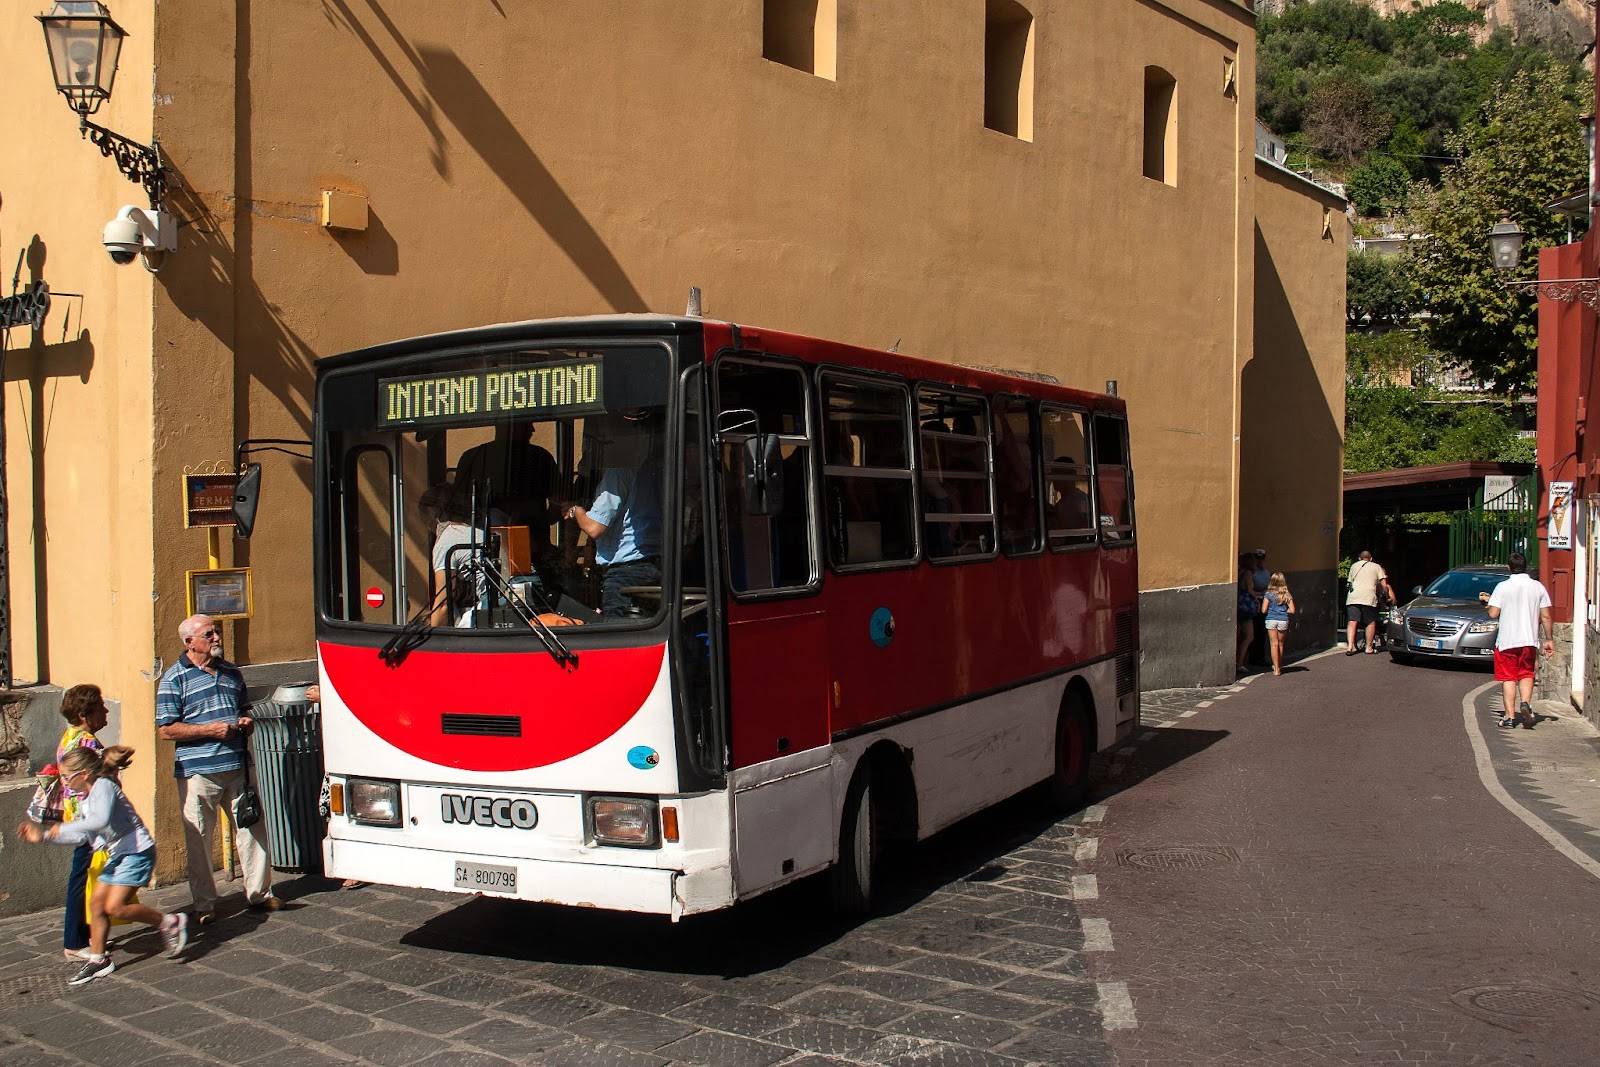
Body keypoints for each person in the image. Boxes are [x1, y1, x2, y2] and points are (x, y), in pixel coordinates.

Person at [14, 745, 189, 985]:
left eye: (66, 777)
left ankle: (170, 922)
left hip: (136, 852)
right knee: (96, 903)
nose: (63, 782)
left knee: (114, 907)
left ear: (84, 773)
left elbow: (100, 821)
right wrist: (44, 835)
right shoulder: (87, 800)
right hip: (117, 855)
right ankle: (99, 960)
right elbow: (85, 836)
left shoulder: (104, 787)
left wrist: (61, 827)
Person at [155, 614, 278, 922]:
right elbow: (166, 729)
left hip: (237, 764)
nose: (216, 638)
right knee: (199, 838)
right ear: (189, 642)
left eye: (216, 632)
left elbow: (244, 709)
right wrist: (210, 730)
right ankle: (205, 905)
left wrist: (246, 723)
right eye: (209, 634)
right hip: (199, 772)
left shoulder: (231, 672)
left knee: (252, 829)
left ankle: (259, 894)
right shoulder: (174, 678)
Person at [565, 413, 663, 617]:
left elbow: (595, 528)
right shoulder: (652, 470)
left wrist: (576, 511)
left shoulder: (619, 472)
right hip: (654, 567)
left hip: (624, 573)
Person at [54, 685, 109, 962]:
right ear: (84, 714)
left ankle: (84, 933)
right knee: (81, 877)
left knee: (82, 875)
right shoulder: (88, 743)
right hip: (88, 821)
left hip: (76, 817)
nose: (106, 710)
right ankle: (74, 941)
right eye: (100, 706)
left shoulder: (68, 737)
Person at [1484, 551, 1554, 729]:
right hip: (1529, 640)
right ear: (1526, 567)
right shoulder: (1538, 587)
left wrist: (1486, 604)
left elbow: (1493, 614)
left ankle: (1509, 717)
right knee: (1526, 673)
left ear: (1509, 568)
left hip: (1507, 641)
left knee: (1508, 678)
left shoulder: (1502, 587)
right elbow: (1546, 616)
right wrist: (1549, 639)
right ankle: (1526, 704)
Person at [455, 420, 559, 534]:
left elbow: (559, 504)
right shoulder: (541, 457)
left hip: (528, 545)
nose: (532, 429)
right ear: (509, 427)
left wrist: (536, 528)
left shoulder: (473, 457)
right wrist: (535, 527)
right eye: (526, 423)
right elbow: (459, 505)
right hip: (486, 544)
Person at [1345, 550, 1394, 656]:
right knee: (1370, 622)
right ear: (1370, 559)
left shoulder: (1354, 566)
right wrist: (1387, 596)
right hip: (1368, 597)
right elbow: (1384, 585)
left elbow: (1350, 582)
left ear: (1359, 558)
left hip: (1353, 597)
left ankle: (1350, 647)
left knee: (1352, 621)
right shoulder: (1376, 567)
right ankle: (1368, 647)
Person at [1261, 572, 1296, 677]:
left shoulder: (1268, 594)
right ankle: (1279, 666)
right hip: (1283, 620)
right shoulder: (1286, 594)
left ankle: (1276, 669)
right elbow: (1292, 610)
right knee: (1280, 643)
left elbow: (1263, 610)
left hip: (1271, 619)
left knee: (1273, 644)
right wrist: (1283, 611)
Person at [1249, 549, 1272, 666]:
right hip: (1255, 601)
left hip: (1265, 601)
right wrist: (1262, 589)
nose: (1260, 562)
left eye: (1262, 559)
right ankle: (1253, 657)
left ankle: (1261, 656)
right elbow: (1251, 587)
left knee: (1263, 630)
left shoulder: (1267, 573)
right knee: (1255, 630)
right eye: (1258, 560)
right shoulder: (1252, 573)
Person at [1236, 553, 1257, 673]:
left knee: (1241, 634)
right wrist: (1256, 600)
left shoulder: (1239, 571)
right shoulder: (1248, 573)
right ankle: (1240, 663)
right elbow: (1249, 589)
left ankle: (1239, 661)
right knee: (1249, 635)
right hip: (1246, 606)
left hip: (1239, 604)